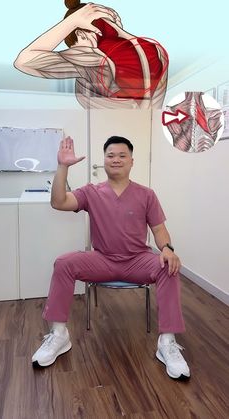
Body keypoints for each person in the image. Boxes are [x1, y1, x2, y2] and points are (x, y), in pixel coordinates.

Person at [32, 135, 190, 380]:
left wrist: (167, 248)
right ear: (104, 161)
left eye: (122, 155)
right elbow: (58, 201)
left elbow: (159, 230)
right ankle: (59, 335)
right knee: (64, 263)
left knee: (168, 266)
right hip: (103, 260)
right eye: (110, 155)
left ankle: (167, 342)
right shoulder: (91, 192)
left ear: (131, 161)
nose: (116, 160)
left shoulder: (146, 194)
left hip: (138, 259)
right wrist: (63, 166)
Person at [14, 1, 168, 109]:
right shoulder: (156, 51)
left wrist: (71, 22)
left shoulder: (91, 57)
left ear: (81, 33)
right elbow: (154, 109)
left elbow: (23, 61)